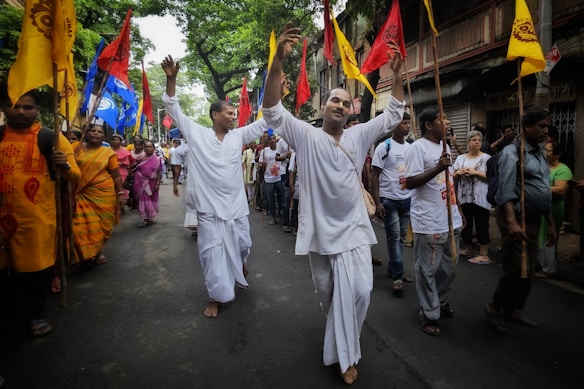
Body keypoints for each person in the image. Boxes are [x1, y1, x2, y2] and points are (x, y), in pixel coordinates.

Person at [261, 24, 405, 385]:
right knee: (328, 292)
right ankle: (339, 331)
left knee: (360, 291)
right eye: (334, 100)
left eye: (346, 102)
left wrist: (399, 76)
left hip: (355, 227)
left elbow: (393, 115)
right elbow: (272, 110)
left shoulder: (359, 135)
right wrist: (277, 62)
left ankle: (346, 355)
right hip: (320, 231)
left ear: (352, 110)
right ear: (323, 107)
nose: (340, 105)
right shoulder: (306, 136)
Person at [162, 55, 267, 318]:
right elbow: (173, 108)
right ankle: (215, 297)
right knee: (211, 255)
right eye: (229, 113)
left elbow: (268, 120)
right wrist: (171, 78)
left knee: (243, 245)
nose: (234, 117)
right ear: (215, 115)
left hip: (237, 207)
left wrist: (278, 89)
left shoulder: (239, 136)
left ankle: (241, 263)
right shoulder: (196, 133)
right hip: (209, 210)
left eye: (235, 113)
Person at [0, 87, 80, 336]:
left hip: (36, 221)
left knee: (34, 273)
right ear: (4, 107)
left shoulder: (52, 139)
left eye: (28, 107)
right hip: (3, 219)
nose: (21, 111)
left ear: (37, 110)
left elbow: (75, 175)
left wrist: (63, 164)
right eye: (15, 106)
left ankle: (34, 315)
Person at [484, 106, 556, 335]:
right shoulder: (512, 153)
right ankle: (495, 307)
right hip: (514, 216)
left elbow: (543, 189)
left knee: (529, 269)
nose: (545, 131)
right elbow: (505, 190)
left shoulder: (540, 153)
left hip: (535, 217)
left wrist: (551, 223)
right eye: (540, 126)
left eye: (547, 126)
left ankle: (514, 308)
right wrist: (512, 222)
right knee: (515, 266)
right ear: (526, 127)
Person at [404, 107, 463, 337]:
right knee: (428, 270)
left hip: (451, 219)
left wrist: (458, 208)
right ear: (429, 125)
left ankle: (439, 299)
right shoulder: (417, 148)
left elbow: (447, 183)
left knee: (450, 269)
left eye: (448, 117)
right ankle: (429, 313)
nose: (448, 122)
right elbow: (409, 182)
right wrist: (438, 166)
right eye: (443, 118)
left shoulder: (445, 146)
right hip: (428, 222)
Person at [371, 112, 414, 294]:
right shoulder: (384, 147)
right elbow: (374, 175)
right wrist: (377, 201)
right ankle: (397, 275)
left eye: (408, 123)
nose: (407, 126)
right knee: (394, 237)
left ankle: (392, 268)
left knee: (402, 238)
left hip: (407, 199)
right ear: (394, 126)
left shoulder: (412, 147)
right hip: (389, 200)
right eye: (403, 123)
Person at [72, 123, 125, 265]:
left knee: (103, 225)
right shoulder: (75, 148)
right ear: (87, 133)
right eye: (92, 131)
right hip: (80, 192)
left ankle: (98, 250)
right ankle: (84, 253)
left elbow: (116, 176)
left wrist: (120, 193)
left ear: (104, 136)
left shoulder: (108, 153)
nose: (95, 133)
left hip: (103, 194)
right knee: (79, 225)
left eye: (99, 132)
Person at [453, 130, 492, 264]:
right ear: (468, 143)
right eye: (474, 140)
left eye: (479, 140)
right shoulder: (461, 158)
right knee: (466, 224)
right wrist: (459, 172)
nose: (477, 142)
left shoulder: (487, 158)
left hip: (481, 197)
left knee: (482, 224)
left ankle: (484, 254)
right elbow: (452, 176)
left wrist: (475, 172)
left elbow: (491, 177)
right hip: (464, 197)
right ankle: (468, 249)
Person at [536, 142, 572, 278]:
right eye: (544, 149)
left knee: (549, 236)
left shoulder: (563, 170)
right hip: (539, 207)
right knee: (539, 235)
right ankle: (540, 263)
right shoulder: (543, 167)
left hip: (553, 207)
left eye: (548, 150)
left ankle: (548, 268)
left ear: (557, 154)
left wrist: (538, 189)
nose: (544, 152)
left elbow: (561, 189)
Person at [133, 140, 162, 228]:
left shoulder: (157, 159)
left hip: (152, 182)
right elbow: (134, 166)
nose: (148, 148)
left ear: (154, 148)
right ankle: (146, 219)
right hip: (140, 182)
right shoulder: (140, 158)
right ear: (144, 148)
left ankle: (149, 218)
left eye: (150, 147)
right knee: (143, 199)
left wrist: (158, 184)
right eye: (146, 147)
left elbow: (159, 172)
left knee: (150, 199)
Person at [259, 133, 284, 226]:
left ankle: (279, 212)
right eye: (271, 139)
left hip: (278, 177)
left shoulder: (279, 149)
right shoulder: (264, 151)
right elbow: (260, 164)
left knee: (281, 196)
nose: (273, 140)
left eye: (274, 138)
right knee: (271, 199)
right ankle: (273, 216)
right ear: (269, 141)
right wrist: (262, 165)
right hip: (268, 178)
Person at [111, 133, 132, 213]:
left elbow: (127, 162)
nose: (114, 141)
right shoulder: (109, 150)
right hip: (112, 172)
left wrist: (118, 163)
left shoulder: (124, 151)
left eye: (116, 140)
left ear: (120, 141)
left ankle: (122, 207)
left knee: (122, 188)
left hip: (122, 171)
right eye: (113, 140)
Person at [242, 141, 257, 205]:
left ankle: (255, 199)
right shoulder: (246, 152)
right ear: (250, 144)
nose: (255, 144)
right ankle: (250, 199)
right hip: (248, 170)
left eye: (255, 143)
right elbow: (243, 162)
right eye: (253, 143)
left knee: (255, 185)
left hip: (255, 170)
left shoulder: (257, 151)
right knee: (250, 186)